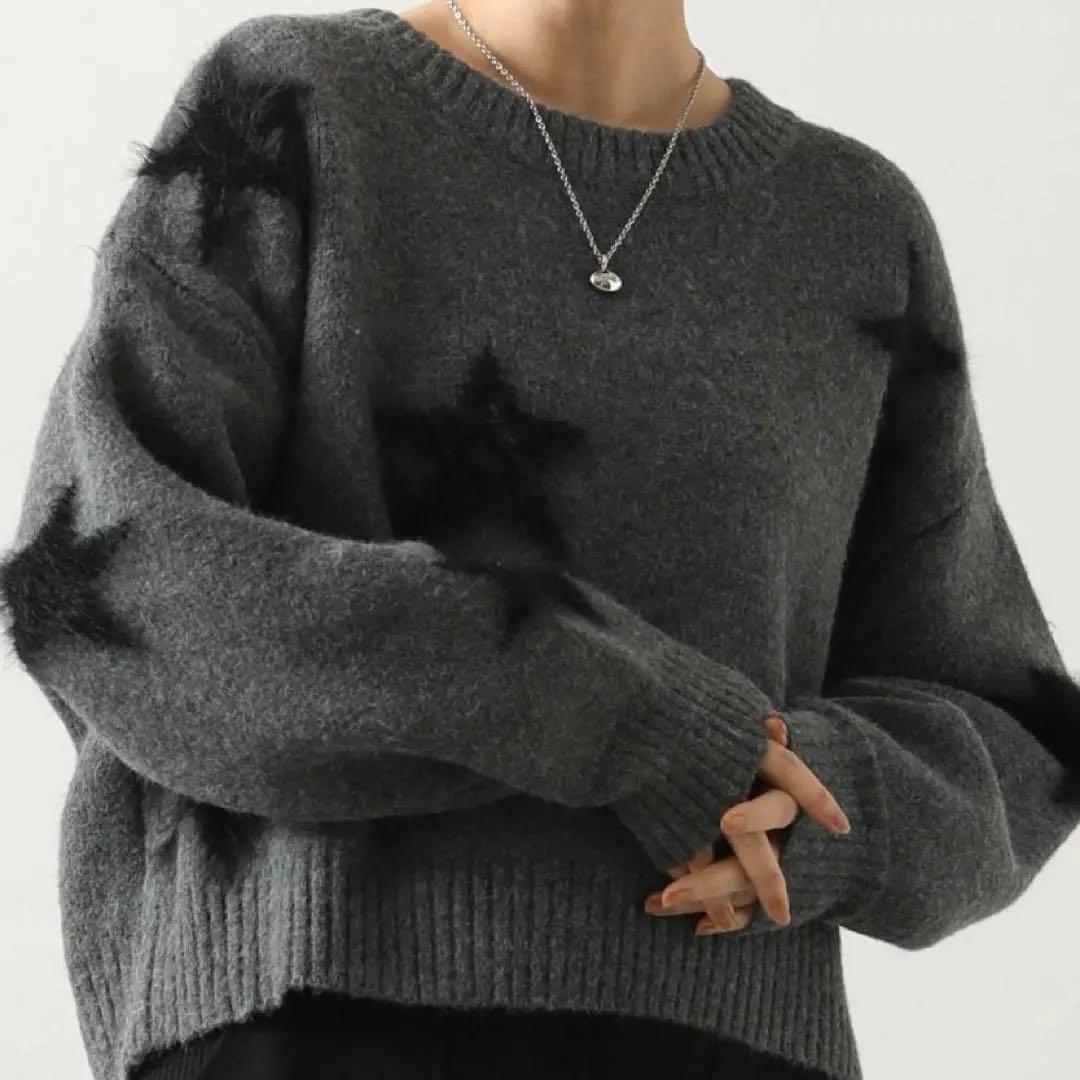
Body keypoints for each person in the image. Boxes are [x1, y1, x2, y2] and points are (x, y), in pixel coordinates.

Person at [2, 2, 1078, 1079]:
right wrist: (623, 715)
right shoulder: (295, 107)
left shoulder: (854, 225)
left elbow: (1015, 730)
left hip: (723, 1034)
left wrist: (820, 806)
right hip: (306, 1009)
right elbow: (110, 574)